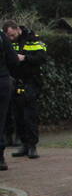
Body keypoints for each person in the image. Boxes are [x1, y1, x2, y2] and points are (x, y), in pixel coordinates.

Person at [3, 21, 47, 159]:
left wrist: (25, 58)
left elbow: (42, 57)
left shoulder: (33, 39)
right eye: (8, 36)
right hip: (15, 82)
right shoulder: (8, 42)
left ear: (18, 29)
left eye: (12, 34)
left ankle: (32, 146)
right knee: (18, 115)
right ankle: (23, 144)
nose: (11, 38)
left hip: (31, 82)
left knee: (30, 115)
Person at [0, 31, 21, 170]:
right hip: (2, 81)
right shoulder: (1, 36)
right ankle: (0, 158)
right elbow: (14, 59)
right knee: (1, 120)